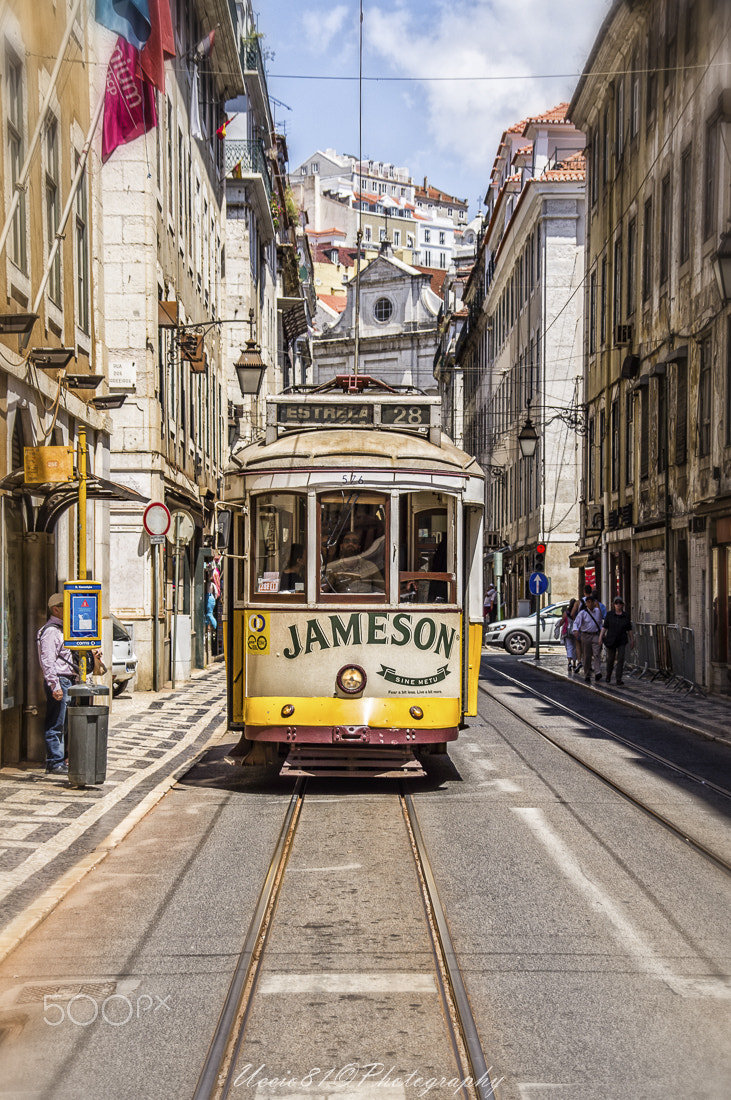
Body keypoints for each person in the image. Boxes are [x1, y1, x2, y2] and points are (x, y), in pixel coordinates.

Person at [37, 594, 76, 774]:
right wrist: (55, 686)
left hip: (66, 680)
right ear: (56, 609)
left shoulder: (61, 629)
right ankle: (54, 761)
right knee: (57, 723)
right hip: (60, 680)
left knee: (64, 723)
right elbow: (47, 661)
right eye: (65, 606)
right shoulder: (51, 631)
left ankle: (61, 759)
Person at [325, 529, 384, 593]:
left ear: (359, 547)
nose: (350, 544)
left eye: (355, 542)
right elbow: (323, 592)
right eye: (347, 541)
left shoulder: (370, 567)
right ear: (341, 547)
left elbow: (382, 592)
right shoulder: (332, 568)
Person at [600, 597, 635, 685]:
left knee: (621, 659)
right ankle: (608, 674)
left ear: (622, 605)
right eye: (616, 603)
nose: (618, 605)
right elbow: (605, 627)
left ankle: (618, 678)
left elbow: (629, 629)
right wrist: (600, 637)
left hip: (622, 640)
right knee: (610, 659)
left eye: (620, 603)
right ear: (614, 605)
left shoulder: (625, 616)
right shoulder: (610, 615)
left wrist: (632, 640)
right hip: (611, 639)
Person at [572, 593, 604, 683]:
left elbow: (600, 623)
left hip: (595, 635)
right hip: (586, 636)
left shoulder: (598, 611)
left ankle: (598, 672)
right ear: (586, 603)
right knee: (587, 656)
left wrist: (602, 632)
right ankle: (587, 674)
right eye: (588, 602)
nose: (590, 604)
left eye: (591, 602)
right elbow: (576, 623)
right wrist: (576, 630)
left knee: (597, 653)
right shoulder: (582, 613)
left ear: (594, 603)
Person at [554, 598, 580, 673]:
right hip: (575, 631)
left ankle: (569, 662)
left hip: (567, 632)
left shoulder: (566, 613)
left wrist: (559, 625)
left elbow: (562, 622)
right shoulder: (577, 613)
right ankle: (574, 663)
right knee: (575, 648)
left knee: (569, 646)